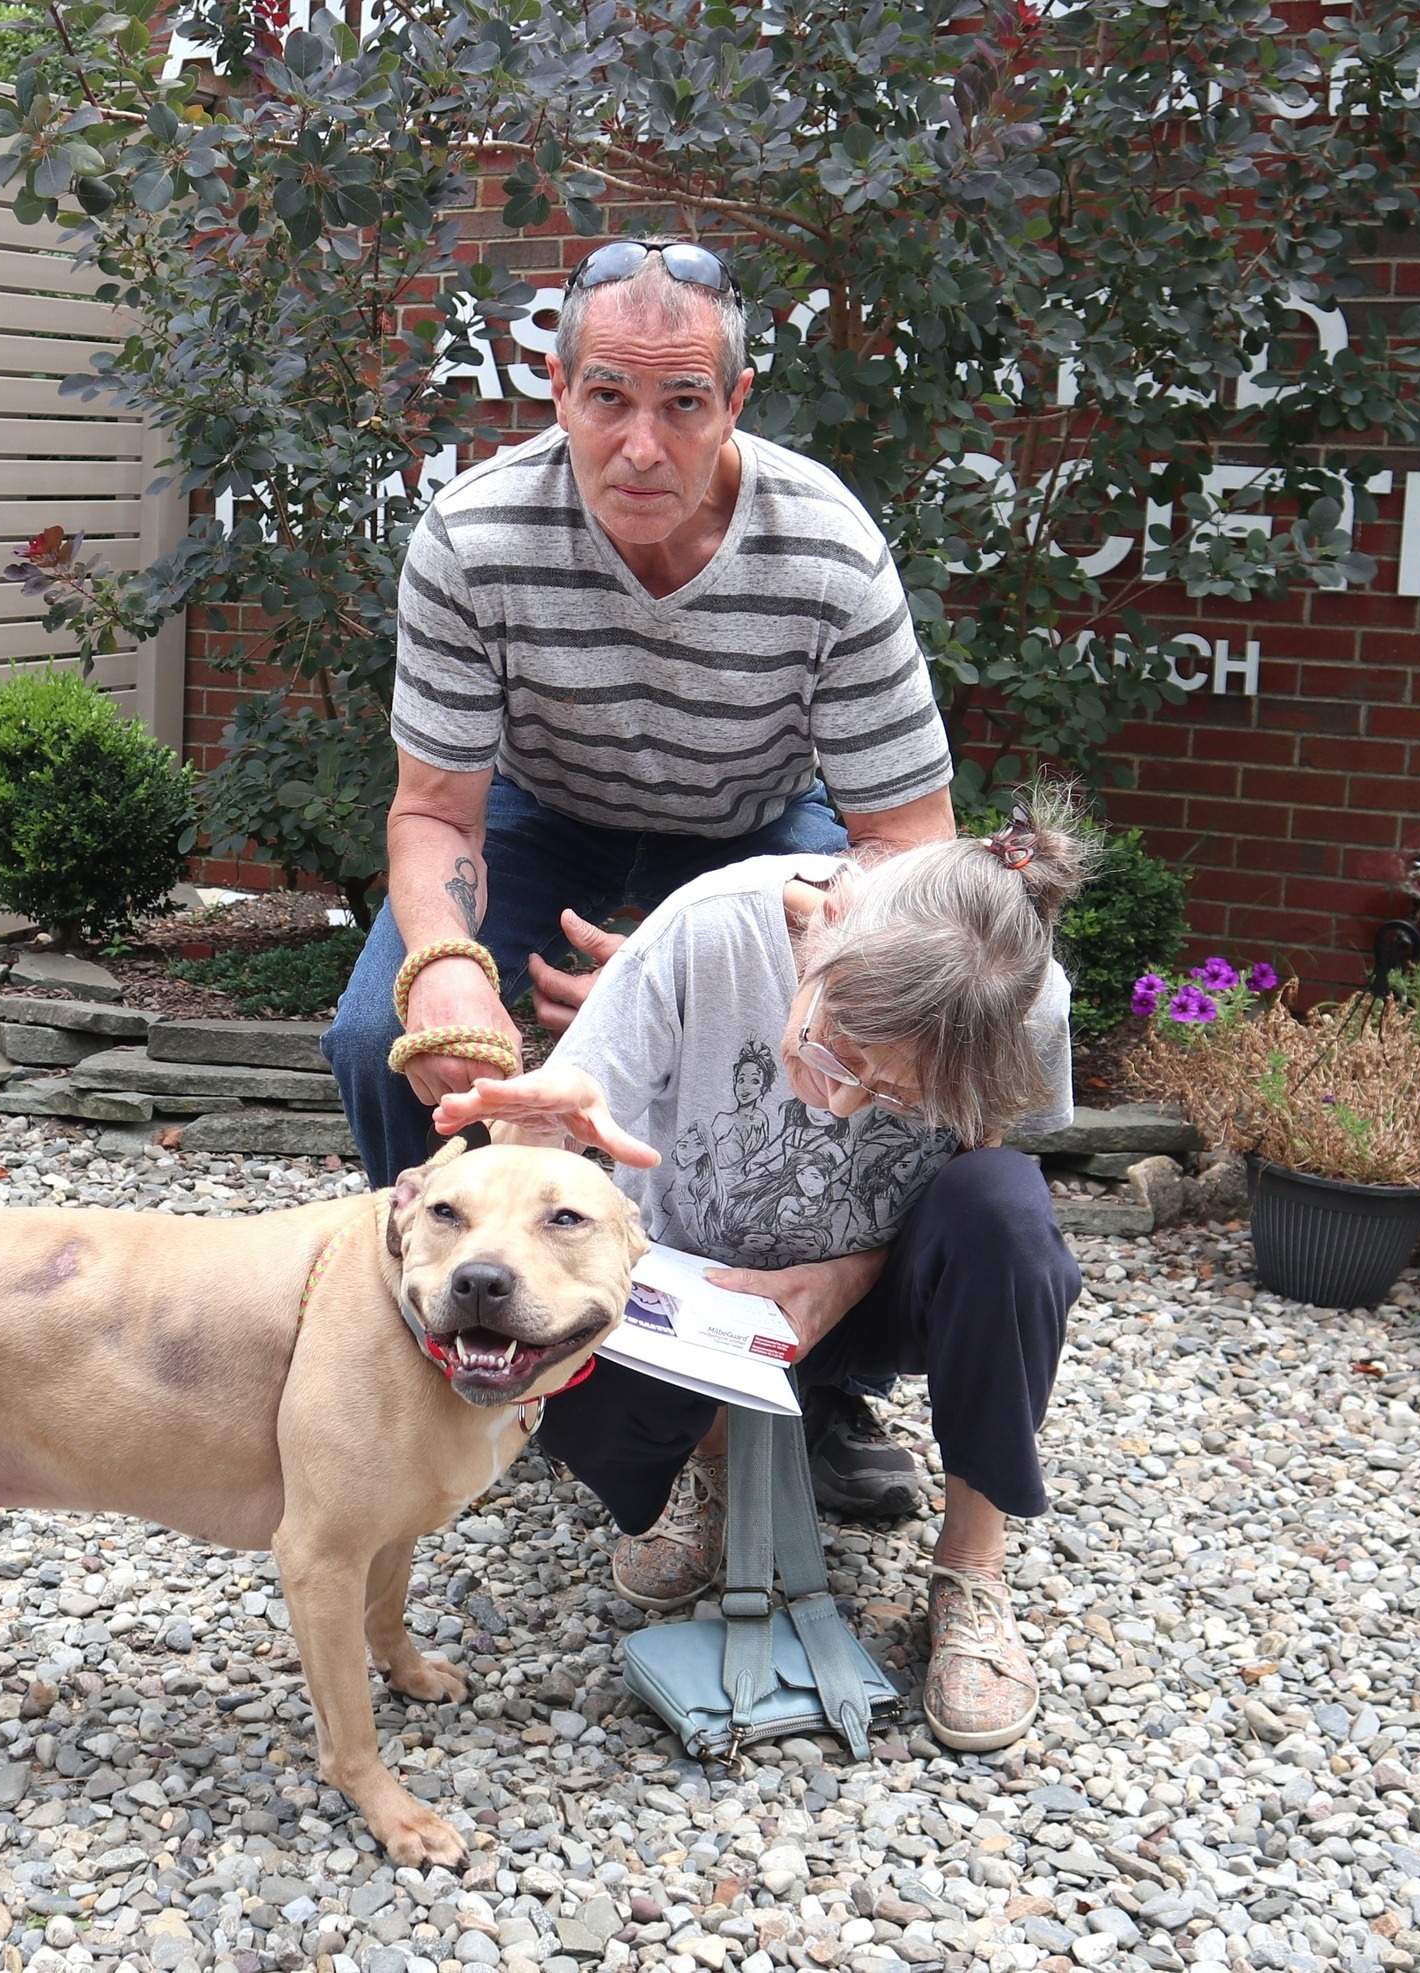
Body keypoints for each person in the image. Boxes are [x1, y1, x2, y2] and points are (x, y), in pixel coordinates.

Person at [322, 235, 959, 1514]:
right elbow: (434, 810)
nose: (640, 445)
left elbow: (912, 850)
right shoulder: (473, 534)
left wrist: (698, 961)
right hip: (541, 813)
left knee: (852, 1045)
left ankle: (807, 1383)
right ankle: (458, 1346)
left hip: (756, 832)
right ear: (556, 393)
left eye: (682, 404)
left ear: (734, 403)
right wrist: (448, 977)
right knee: (367, 1034)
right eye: (606, 398)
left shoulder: (826, 547)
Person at [431, 796, 1089, 1752]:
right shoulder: (707, 927)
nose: (838, 1097)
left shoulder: (1028, 1000)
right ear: (823, 929)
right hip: (694, 1289)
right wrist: (543, 1127)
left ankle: (972, 1567)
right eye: (834, 1048)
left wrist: (849, 1277)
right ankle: (712, 1464)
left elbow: (990, 1157)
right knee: (574, 1384)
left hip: (874, 1293)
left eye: (896, 1094)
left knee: (1008, 1214)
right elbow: (562, 1143)